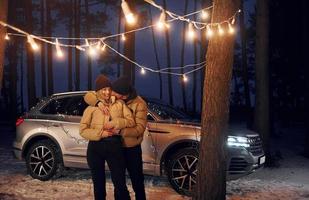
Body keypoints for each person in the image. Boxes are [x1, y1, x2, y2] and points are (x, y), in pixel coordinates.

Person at [84, 76, 147, 200]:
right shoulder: (112, 97)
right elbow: (88, 95)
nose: (112, 95)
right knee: (119, 182)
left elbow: (139, 129)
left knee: (137, 180)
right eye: (113, 92)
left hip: (131, 148)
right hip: (115, 148)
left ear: (124, 95)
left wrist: (120, 130)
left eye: (117, 94)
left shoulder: (139, 104)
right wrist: (98, 103)